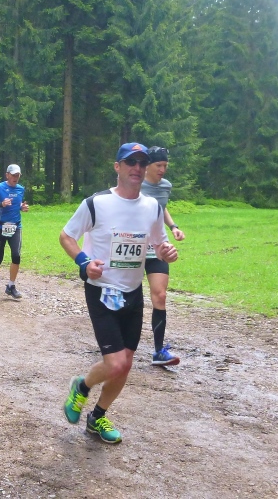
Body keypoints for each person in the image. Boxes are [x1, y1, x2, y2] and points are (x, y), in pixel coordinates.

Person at [59, 142, 178, 444]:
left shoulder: (152, 207)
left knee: (126, 364)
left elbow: (158, 245)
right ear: (117, 167)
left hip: (133, 293)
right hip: (102, 292)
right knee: (115, 363)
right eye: (130, 162)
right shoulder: (96, 203)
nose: (137, 168)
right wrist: (84, 262)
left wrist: (166, 252)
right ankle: (81, 386)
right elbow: (67, 236)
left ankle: (97, 417)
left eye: (142, 163)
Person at [142, 146, 186, 366]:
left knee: (160, 295)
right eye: (158, 165)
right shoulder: (135, 184)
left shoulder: (166, 186)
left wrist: (173, 226)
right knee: (125, 296)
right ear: (147, 166)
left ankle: (159, 351)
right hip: (132, 245)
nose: (162, 169)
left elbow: (163, 207)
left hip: (157, 247)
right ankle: (114, 344)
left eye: (165, 165)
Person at [0, 164, 29, 299]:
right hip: (0, 227)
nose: (16, 178)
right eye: (13, 175)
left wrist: (22, 207)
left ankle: (11, 286)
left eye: (18, 175)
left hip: (16, 227)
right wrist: (0, 204)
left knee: (16, 255)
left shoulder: (20, 189)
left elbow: (16, 204)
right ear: (7, 175)